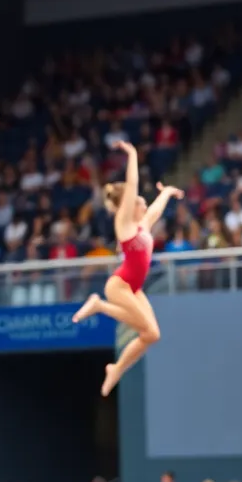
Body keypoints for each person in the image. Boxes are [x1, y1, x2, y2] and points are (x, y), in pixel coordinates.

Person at [72, 141, 181, 396]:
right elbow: (131, 185)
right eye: (140, 202)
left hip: (134, 288)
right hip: (120, 286)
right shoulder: (125, 226)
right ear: (130, 205)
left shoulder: (142, 225)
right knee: (146, 330)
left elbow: (155, 209)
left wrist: (166, 193)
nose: (144, 205)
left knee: (152, 334)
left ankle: (116, 369)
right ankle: (99, 305)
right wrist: (133, 154)